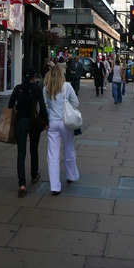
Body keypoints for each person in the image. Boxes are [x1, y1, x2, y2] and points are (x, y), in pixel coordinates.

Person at [8, 66, 49, 197]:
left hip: (20, 122)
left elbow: (10, 105)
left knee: (21, 153)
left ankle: (22, 183)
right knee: (34, 149)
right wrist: (46, 122)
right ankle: (34, 174)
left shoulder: (17, 89)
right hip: (33, 123)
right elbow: (42, 106)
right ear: (33, 77)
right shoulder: (37, 89)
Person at [43, 64, 80, 195]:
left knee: (52, 154)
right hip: (66, 123)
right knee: (68, 148)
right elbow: (76, 103)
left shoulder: (46, 88)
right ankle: (71, 175)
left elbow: (45, 107)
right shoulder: (67, 86)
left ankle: (55, 186)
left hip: (52, 122)